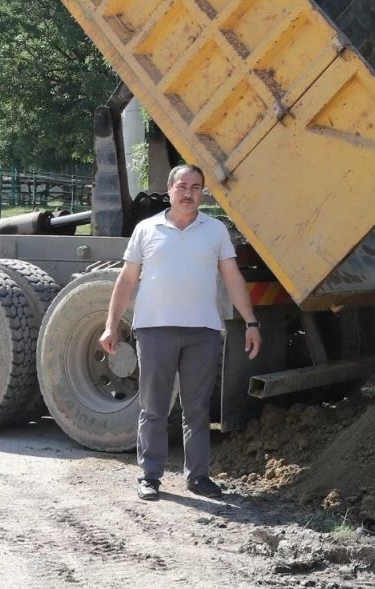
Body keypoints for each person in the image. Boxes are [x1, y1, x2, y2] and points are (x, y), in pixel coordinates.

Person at [99, 163, 261, 501]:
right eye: (182, 186)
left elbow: (232, 278)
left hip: (202, 331)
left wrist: (251, 322)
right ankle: (149, 476)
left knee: (197, 409)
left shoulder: (215, 231)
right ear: (170, 189)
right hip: (154, 330)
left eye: (196, 187)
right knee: (154, 407)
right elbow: (127, 280)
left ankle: (198, 476)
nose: (189, 193)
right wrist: (110, 325)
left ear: (203, 192)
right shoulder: (147, 229)